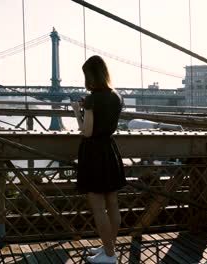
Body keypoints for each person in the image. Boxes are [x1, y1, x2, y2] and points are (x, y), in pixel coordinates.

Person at [71, 55, 126, 263]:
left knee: (98, 207)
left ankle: (110, 255)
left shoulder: (93, 98)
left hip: (93, 153)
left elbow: (86, 131)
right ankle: (108, 248)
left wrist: (79, 111)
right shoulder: (116, 96)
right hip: (109, 150)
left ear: (91, 75)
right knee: (112, 203)